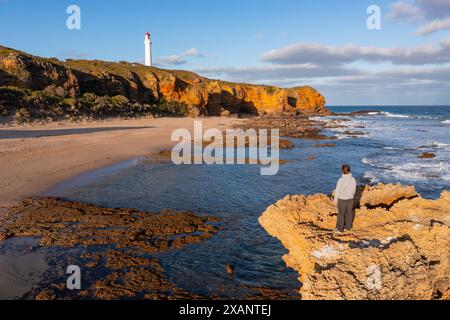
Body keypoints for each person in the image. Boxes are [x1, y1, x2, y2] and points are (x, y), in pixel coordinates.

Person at [334, 164, 357, 232]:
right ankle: (348, 227)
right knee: (349, 213)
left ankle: (339, 228)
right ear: (349, 170)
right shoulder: (353, 179)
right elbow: (354, 189)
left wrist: (335, 201)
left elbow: (337, 191)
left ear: (342, 171)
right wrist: (351, 195)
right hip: (350, 199)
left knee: (341, 214)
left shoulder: (341, 180)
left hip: (342, 199)